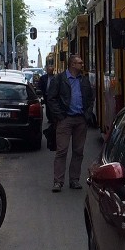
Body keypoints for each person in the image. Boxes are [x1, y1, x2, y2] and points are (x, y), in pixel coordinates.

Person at [46, 54, 94, 192]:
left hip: (80, 119)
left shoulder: (84, 80)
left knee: (78, 151)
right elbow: (51, 98)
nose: (82, 65)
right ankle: (58, 182)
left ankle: (74, 180)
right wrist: (60, 116)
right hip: (65, 119)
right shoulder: (60, 79)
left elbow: (90, 99)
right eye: (79, 63)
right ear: (72, 64)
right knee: (62, 151)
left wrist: (87, 115)